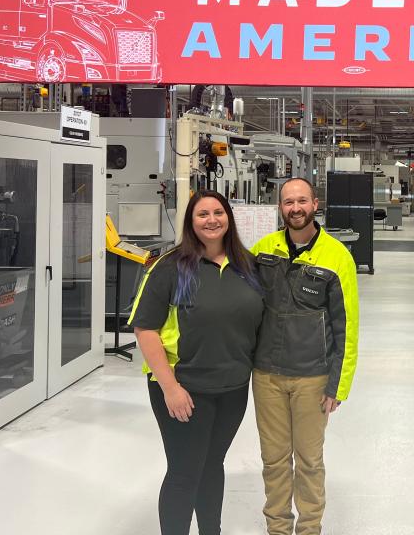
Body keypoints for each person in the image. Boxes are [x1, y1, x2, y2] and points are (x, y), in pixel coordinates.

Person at [129, 190, 264, 535]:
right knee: (185, 471)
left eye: (218, 212)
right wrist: (170, 388)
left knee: (212, 465)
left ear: (229, 218)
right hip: (184, 388)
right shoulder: (171, 267)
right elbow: (145, 329)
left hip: (233, 388)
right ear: (191, 222)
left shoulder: (248, 266)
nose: (212, 220)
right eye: (202, 214)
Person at [250, 177, 360, 535]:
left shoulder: (337, 256)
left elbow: (347, 327)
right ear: (280, 207)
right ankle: (278, 528)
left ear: (315, 204)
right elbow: (243, 309)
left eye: (301, 201)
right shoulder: (263, 250)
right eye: (287, 202)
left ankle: (310, 529)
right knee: (274, 460)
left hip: (312, 377)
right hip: (266, 375)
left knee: (310, 461)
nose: (295, 208)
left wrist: (337, 384)